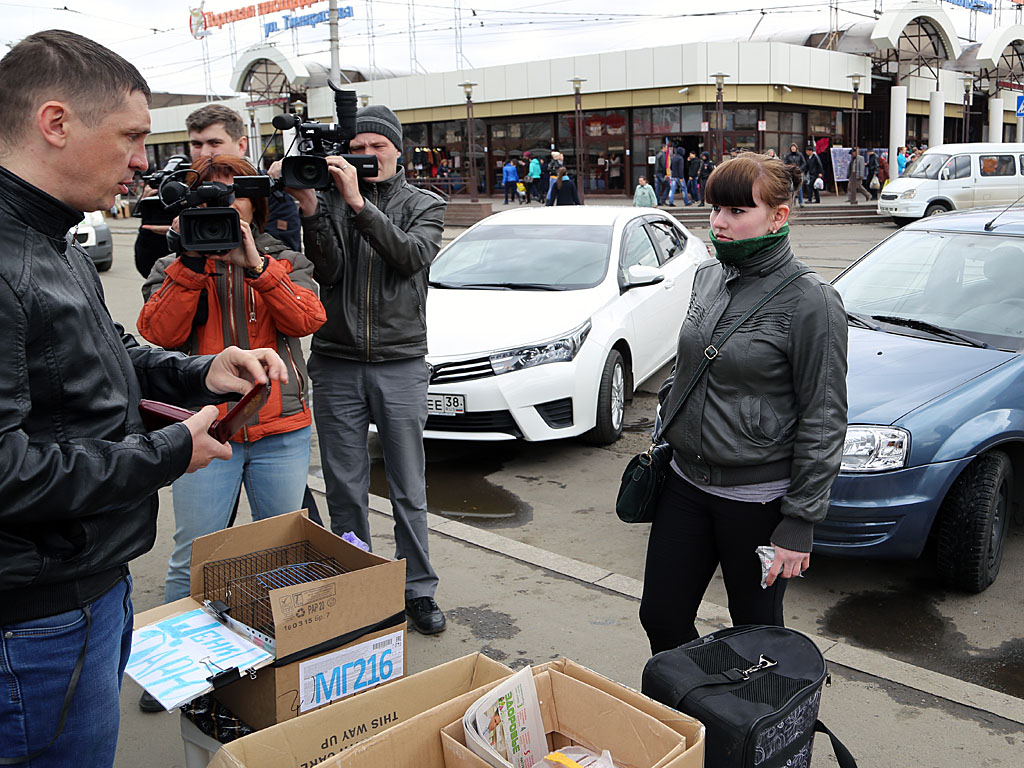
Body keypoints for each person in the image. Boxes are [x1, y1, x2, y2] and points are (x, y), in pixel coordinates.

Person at [0, 30, 287, 767]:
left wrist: (202, 373)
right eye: (130, 136)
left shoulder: (53, 236)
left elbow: (109, 350)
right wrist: (167, 452)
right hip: (33, 618)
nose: (141, 159)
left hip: (81, 587)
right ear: (55, 123)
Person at [639, 153, 848, 654]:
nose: (719, 222)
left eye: (736, 210)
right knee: (661, 616)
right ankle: (695, 715)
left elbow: (824, 417)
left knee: (755, 633)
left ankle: (749, 725)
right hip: (685, 485)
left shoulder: (812, 301)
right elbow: (686, 368)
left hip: (757, 500)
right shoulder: (708, 277)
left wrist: (800, 521)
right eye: (714, 209)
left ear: (779, 215)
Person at [271, 104, 448, 635]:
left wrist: (357, 204)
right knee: (344, 487)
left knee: (407, 488)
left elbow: (411, 256)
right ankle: (359, 587)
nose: (368, 157)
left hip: (400, 363)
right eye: (359, 147)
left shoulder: (425, 204)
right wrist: (310, 210)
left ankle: (417, 589)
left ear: (398, 151)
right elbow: (329, 271)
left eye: (378, 147)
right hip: (337, 362)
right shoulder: (325, 199)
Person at [136, 153, 325, 630]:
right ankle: (181, 656)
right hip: (204, 431)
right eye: (211, 195)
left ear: (255, 203)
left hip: (280, 429)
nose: (227, 205)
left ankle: (286, 648)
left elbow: (307, 319)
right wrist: (192, 265)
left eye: (236, 193)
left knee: (284, 550)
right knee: (195, 555)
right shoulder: (173, 266)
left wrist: (259, 267)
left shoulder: (284, 258)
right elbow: (158, 332)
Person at [134, 104, 302, 279]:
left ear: (241, 145)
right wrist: (173, 238)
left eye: (215, 143)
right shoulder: (177, 191)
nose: (204, 152)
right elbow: (149, 268)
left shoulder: (267, 190)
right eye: (196, 144)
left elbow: (286, 259)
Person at [783, 143, 806, 207]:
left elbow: (804, 163)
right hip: (791, 173)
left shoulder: (800, 155)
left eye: (794, 147)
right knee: (792, 187)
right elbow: (785, 163)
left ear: (796, 148)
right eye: (792, 148)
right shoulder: (788, 155)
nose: (793, 149)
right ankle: (793, 202)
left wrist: (800, 169)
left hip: (798, 173)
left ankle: (801, 202)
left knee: (800, 187)